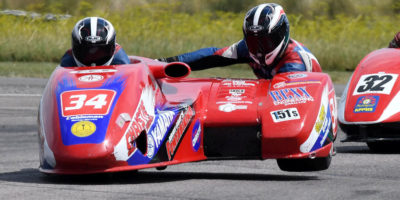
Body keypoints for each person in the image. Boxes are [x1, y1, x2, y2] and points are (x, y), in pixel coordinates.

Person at [157, 3, 321, 79]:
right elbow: (211, 56)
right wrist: (164, 64)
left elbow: (281, 99)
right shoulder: (248, 49)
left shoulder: (295, 62)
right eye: (253, 41)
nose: (259, 49)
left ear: (281, 34)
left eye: (265, 41)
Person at [60, 17, 130, 67]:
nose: (93, 57)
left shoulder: (120, 59)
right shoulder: (68, 59)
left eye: (99, 51)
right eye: (86, 51)